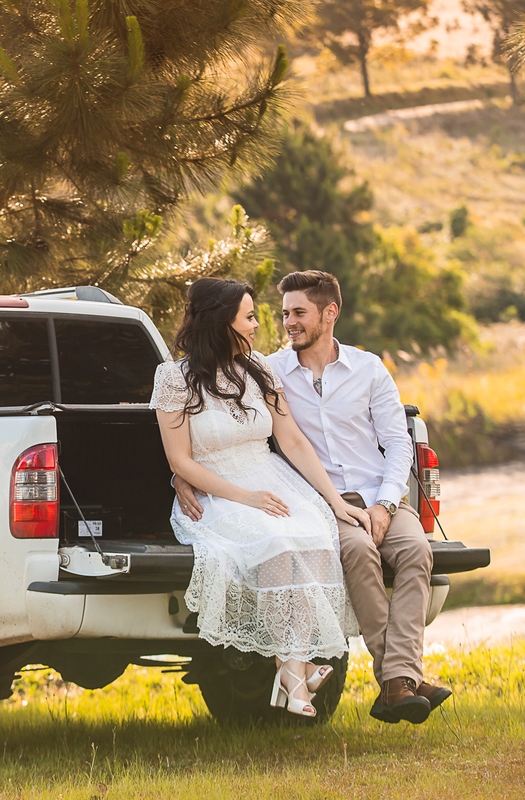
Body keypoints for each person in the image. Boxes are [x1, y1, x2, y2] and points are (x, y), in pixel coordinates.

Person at [175, 269, 450, 724]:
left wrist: (385, 504)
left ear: (330, 313)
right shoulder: (268, 369)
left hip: (378, 494)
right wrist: (180, 475)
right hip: (321, 500)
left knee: (417, 551)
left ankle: (396, 679)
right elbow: (223, 425)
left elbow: (399, 443)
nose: (288, 323)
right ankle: (400, 681)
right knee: (359, 552)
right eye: (284, 314)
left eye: (298, 313)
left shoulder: (368, 368)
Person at [151, 277, 368, 718]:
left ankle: (292, 669)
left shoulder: (259, 369)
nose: (256, 326)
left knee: (314, 536)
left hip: (270, 480)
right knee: (276, 543)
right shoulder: (174, 378)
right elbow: (180, 461)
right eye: (248, 317)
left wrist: (334, 501)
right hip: (217, 493)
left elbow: (293, 440)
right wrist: (246, 498)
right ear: (221, 322)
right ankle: (295, 673)